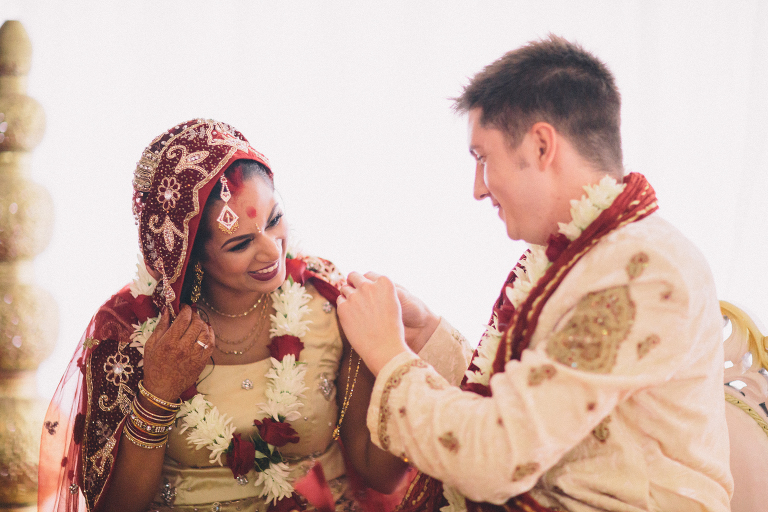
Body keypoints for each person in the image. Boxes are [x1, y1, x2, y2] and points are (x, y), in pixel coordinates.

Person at [336, 36, 734, 512]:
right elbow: (528, 405)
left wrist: (388, 354)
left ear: (543, 145)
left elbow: (501, 456)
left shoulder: (641, 272)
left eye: (483, 159)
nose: (478, 189)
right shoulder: (580, 250)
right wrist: (425, 334)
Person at [38, 119, 472, 512]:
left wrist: (410, 345)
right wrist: (158, 393)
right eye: (240, 243)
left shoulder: (325, 300)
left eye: (275, 219)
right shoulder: (133, 331)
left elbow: (381, 473)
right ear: (193, 258)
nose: (272, 250)